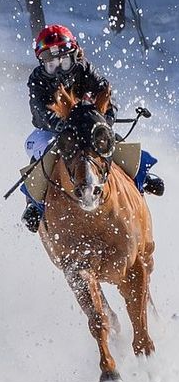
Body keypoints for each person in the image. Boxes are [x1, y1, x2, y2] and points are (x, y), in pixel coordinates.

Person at [20, 24, 164, 232]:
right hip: (50, 131)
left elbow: (105, 97)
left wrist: (105, 121)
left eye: (64, 61)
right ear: (42, 63)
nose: (59, 69)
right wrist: (62, 124)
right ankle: (35, 204)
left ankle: (142, 176)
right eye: (51, 64)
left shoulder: (85, 69)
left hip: (87, 125)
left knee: (115, 141)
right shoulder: (37, 79)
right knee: (44, 153)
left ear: (75, 55)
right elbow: (41, 109)